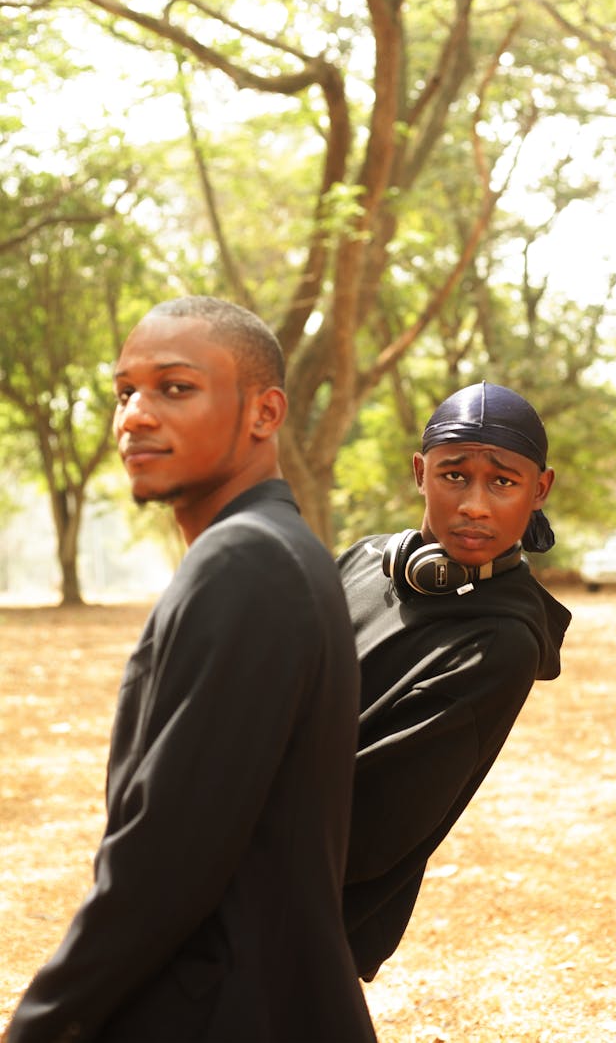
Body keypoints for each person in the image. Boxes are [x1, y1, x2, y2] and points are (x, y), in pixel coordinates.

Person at [4, 297, 376, 1043]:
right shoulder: (277, 547)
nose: (135, 415)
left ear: (263, 413)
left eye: (175, 388)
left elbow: (164, 864)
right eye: (124, 392)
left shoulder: (247, 562)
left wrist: (40, 1027)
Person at [339, 381, 572, 981]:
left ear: (538, 489)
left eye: (503, 481)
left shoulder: (501, 642)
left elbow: (365, 832)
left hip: (305, 925)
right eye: (453, 475)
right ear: (420, 472)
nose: (474, 504)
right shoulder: (364, 561)